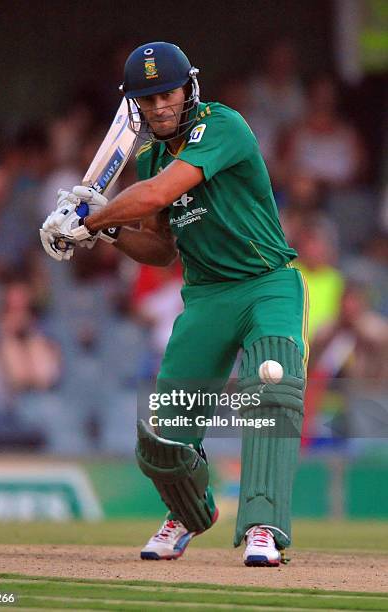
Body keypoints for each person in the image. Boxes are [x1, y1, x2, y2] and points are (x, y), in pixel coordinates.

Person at [40, 42, 309, 567]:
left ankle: (262, 527)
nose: (161, 106)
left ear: (188, 87)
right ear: (134, 105)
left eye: (168, 93)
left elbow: (161, 194)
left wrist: (88, 220)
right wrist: (110, 228)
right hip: (206, 295)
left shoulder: (222, 125)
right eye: (147, 99)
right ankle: (187, 514)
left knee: (271, 391)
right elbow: (161, 248)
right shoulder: (150, 154)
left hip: (267, 283)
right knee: (166, 427)